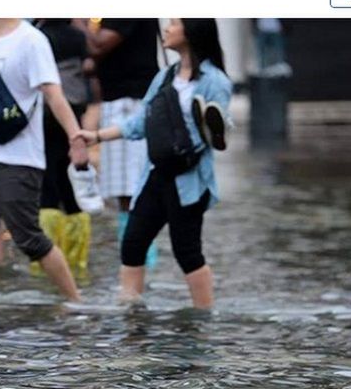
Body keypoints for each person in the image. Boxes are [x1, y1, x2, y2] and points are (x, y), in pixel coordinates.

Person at [77, 18, 232, 309]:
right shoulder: (164, 77)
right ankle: (131, 311)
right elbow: (139, 122)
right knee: (133, 243)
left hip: (189, 181)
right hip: (155, 174)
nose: (167, 28)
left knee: (187, 252)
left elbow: (220, 132)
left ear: (191, 31)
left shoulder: (216, 82)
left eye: (174, 23)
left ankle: (204, 315)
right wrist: (96, 135)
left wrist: (214, 132)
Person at [0, 18, 89, 307]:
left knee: (30, 240)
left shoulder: (32, 40)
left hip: (19, 160)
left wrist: (75, 138)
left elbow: (54, 94)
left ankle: (75, 302)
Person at [83, 19, 160, 266]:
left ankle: (138, 266)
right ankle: (134, 265)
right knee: (126, 196)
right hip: (122, 102)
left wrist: (76, 20)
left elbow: (97, 46)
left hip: (129, 103)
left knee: (131, 193)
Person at [34, 19, 93, 279]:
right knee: (71, 189)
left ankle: (44, 262)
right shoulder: (76, 37)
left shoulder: (37, 36)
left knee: (47, 186)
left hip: (44, 115)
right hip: (74, 113)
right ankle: (77, 261)